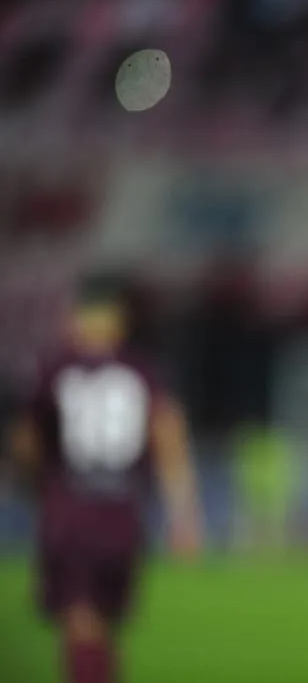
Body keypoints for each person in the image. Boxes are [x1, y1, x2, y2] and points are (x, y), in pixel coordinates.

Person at [5, 274, 202, 683]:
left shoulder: (53, 367)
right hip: (124, 510)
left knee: (80, 621)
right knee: (105, 624)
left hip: (71, 506)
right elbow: (169, 436)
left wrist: (36, 486)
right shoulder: (142, 370)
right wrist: (183, 512)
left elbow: (25, 442)